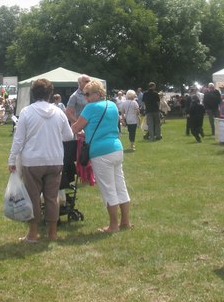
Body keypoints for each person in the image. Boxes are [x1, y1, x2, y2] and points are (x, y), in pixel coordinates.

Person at [7, 79, 74, 242]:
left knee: (33, 197)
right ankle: (52, 233)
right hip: (55, 159)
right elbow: (69, 136)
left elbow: (18, 139)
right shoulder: (59, 112)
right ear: (50, 94)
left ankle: (33, 233)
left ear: (33, 93)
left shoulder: (26, 112)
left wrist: (11, 159)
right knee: (52, 197)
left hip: (33, 161)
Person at [71, 80, 131, 233]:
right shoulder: (111, 105)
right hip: (116, 148)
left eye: (88, 95)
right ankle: (125, 221)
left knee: (108, 189)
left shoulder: (90, 108)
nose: (86, 98)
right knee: (120, 186)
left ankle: (113, 225)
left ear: (97, 94)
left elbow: (77, 127)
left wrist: (70, 126)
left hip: (100, 152)